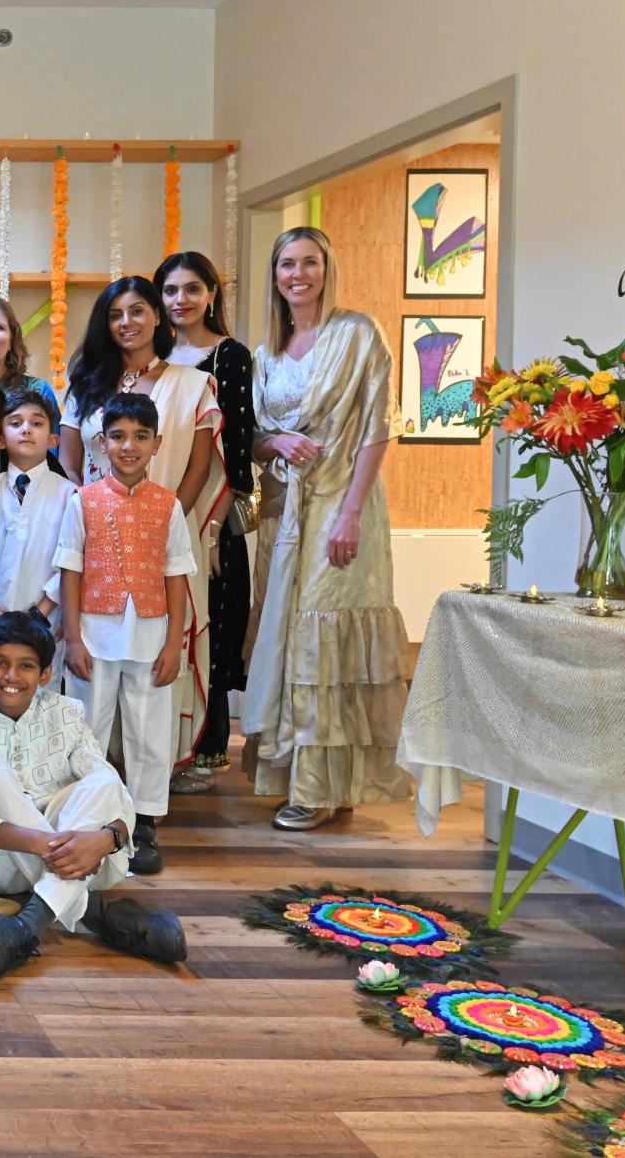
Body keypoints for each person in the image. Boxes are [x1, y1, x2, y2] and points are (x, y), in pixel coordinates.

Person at [244, 227, 409, 830]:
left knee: (326, 635)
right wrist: (275, 440)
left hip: (343, 505)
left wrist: (350, 512)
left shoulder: (358, 334)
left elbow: (376, 426)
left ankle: (320, 788)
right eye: (287, 263)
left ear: (326, 268)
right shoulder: (265, 354)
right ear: (276, 274)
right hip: (283, 513)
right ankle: (303, 777)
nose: (298, 274)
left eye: (309, 262)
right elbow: (254, 440)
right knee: (289, 638)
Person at [0, 613, 186, 984]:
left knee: (105, 783)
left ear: (44, 674)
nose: (11, 676)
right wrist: (49, 845)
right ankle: (100, 917)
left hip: (79, 854)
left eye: (25, 666)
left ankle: (26, 926)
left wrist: (105, 839)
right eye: (0, 663)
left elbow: (112, 792)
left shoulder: (67, 714)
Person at [59, 275, 226, 781]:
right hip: (94, 535)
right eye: (115, 315)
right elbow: (69, 460)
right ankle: (95, 783)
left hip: (165, 534)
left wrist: (160, 518)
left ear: (159, 316)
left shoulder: (192, 382)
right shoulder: (86, 383)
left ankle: (146, 790)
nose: (126, 323)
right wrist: (99, 513)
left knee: (153, 663)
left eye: (137, 311)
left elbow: (199, 468)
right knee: (93, 666)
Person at [56, 394, 197, 875]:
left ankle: (143, 822)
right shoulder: (83, 501)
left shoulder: (169, 505)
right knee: (87, 726)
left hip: (152, 634)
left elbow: (177, 575)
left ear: (156, 443)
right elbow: (69, 572)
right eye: (118, 436)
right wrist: (72, 638)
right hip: (94, 633)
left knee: (149, 731)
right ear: (102, 443)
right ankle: (87, 814)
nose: (129, 446)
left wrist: (176, 642)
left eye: (140, 436)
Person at [156, 251, 256, 788]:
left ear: (212, 294)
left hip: (208, 521)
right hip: (155, 517)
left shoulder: (228, 357)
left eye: (192, 289)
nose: (180, 301)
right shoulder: (151, 358)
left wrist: (211, 532)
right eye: (170, 291)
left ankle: (206, 749)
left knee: (208, 628)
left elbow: (235, 453)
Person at [0, 385, 68, 639]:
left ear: (52, 439)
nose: (26, 429)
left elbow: (70, 560)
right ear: (1, 440)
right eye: (15, 423)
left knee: (41, 675)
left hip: (47, 622)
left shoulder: (69, 495)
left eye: (36, 423)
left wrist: (40, 612)